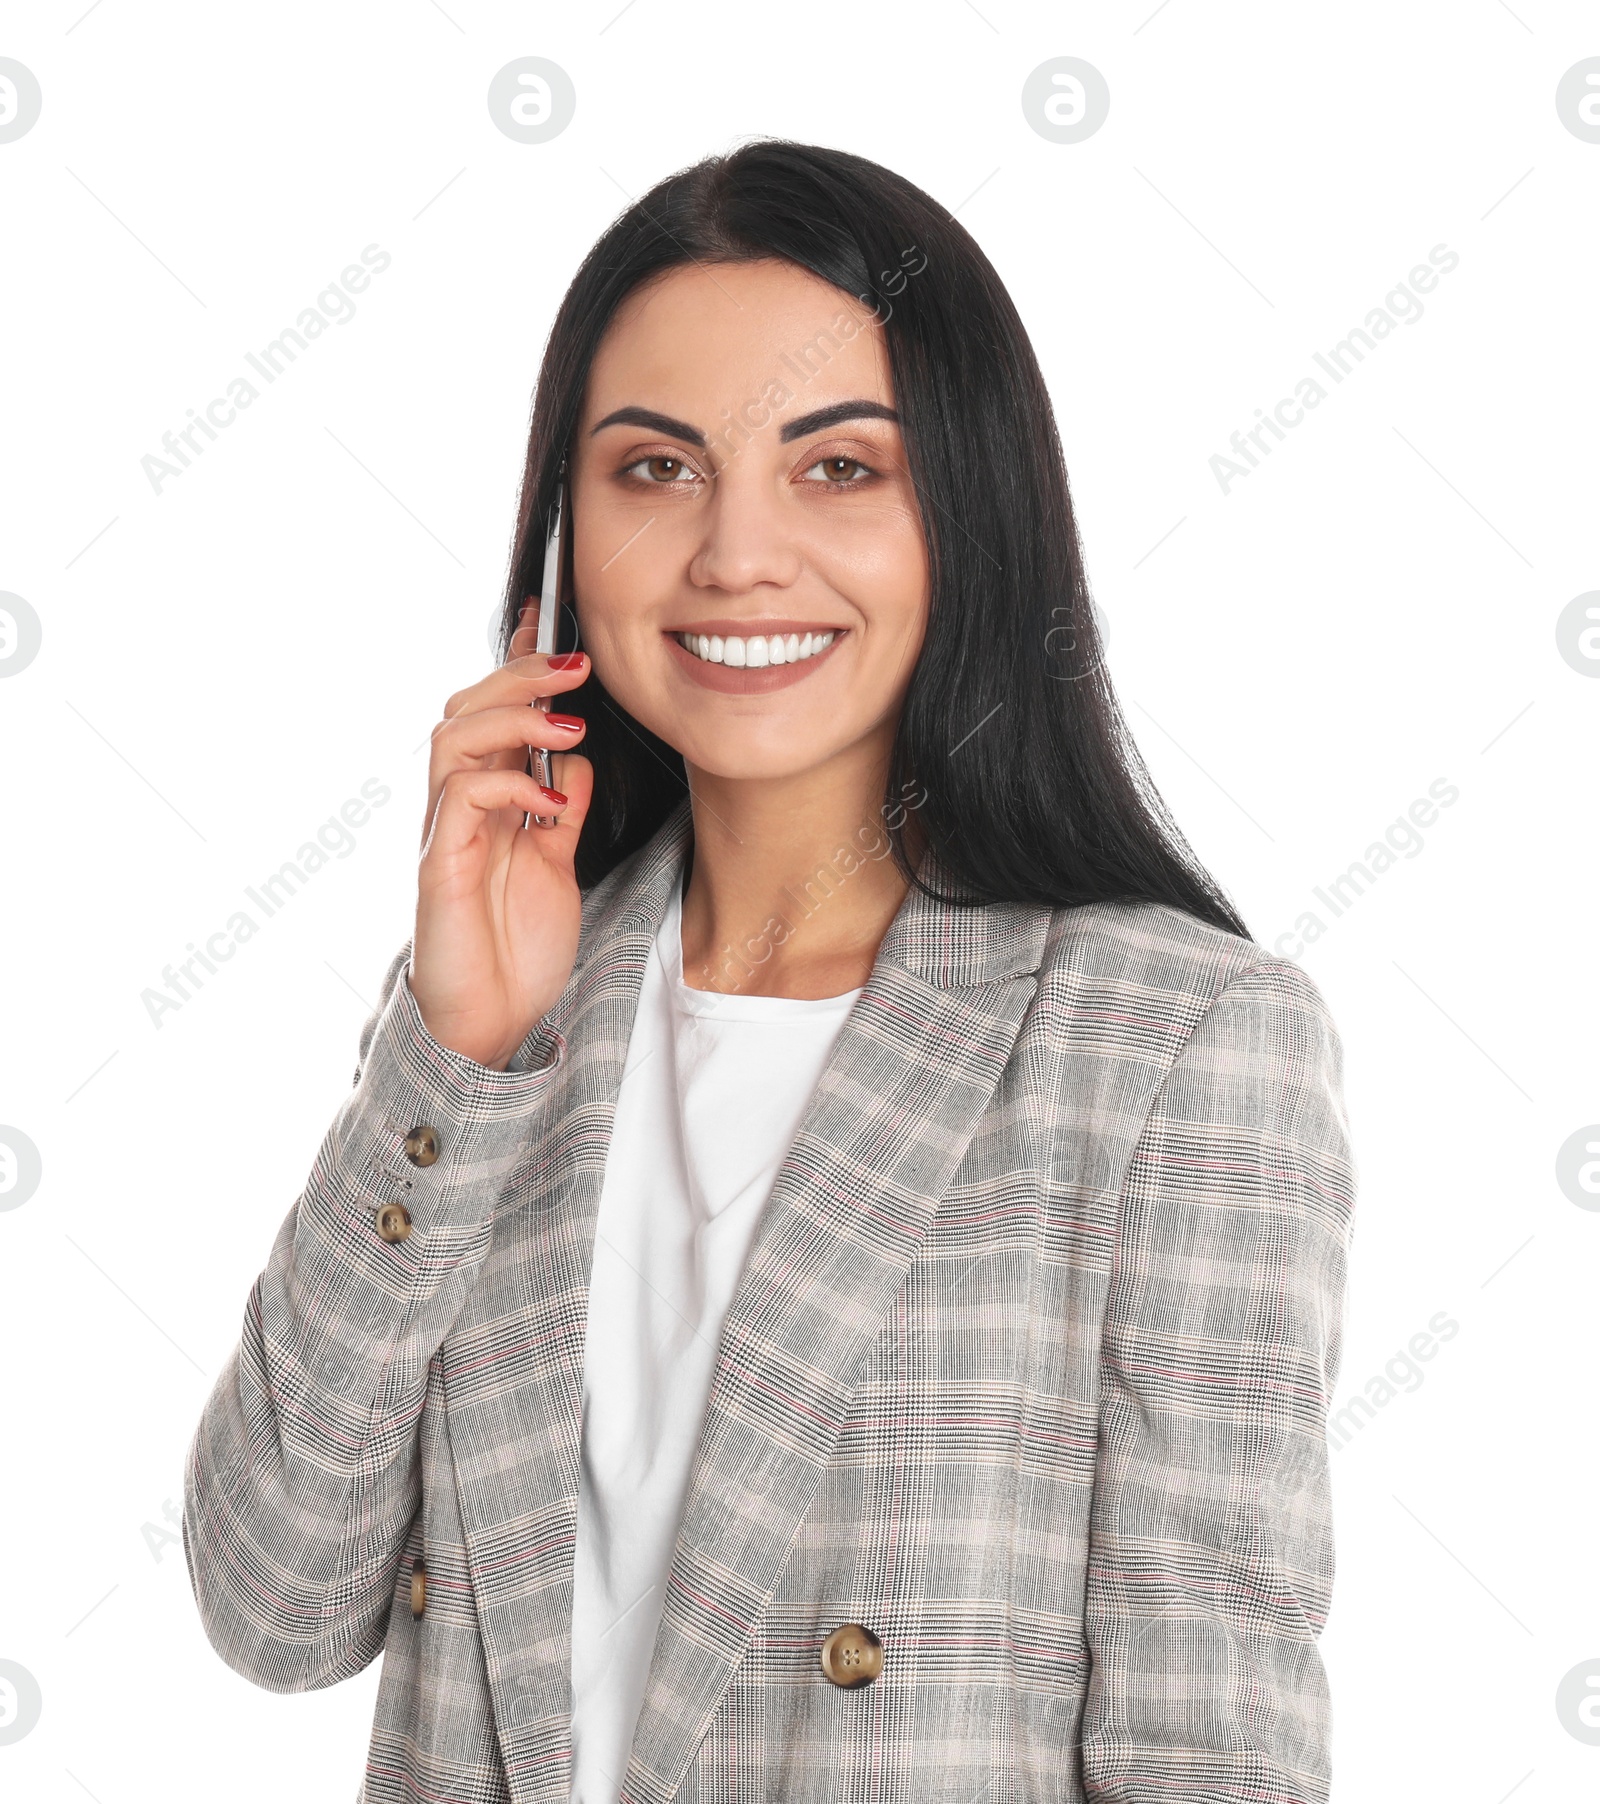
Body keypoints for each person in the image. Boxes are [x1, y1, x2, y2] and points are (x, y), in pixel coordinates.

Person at [184, 140, 1356, 1804]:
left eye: (839, 469)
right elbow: (270, 1604)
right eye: (656, 469)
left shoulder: (1176, 1044)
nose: (735, 553)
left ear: (971, 507)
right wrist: (452, 1057)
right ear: (564, 532)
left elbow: (1210, 1756)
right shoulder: (502, 1022)